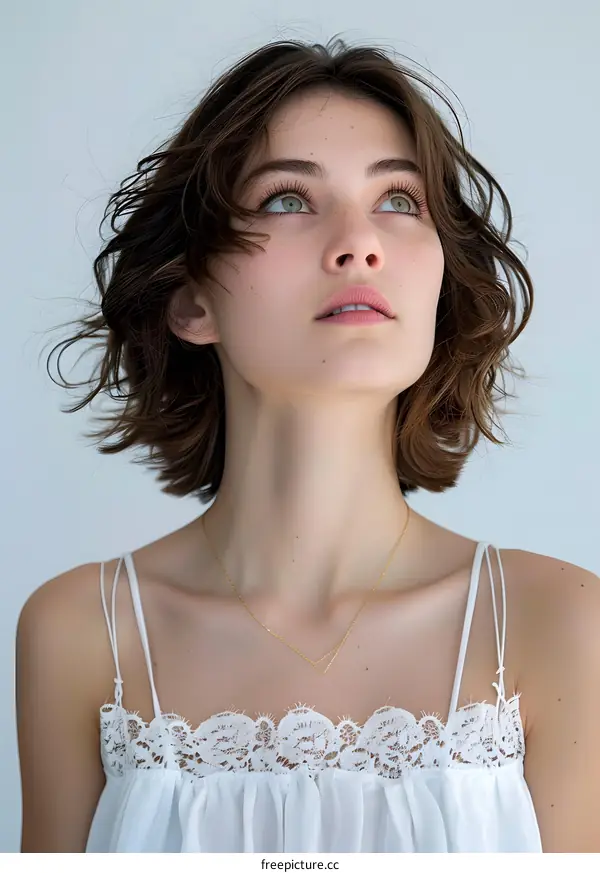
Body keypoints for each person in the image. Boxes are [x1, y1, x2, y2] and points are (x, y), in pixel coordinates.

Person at [15, 37, 600, 854]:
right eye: (288, 198)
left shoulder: (558, 622)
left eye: (400, 199)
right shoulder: (83, 632)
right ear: (192, 300)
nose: (360, 243)